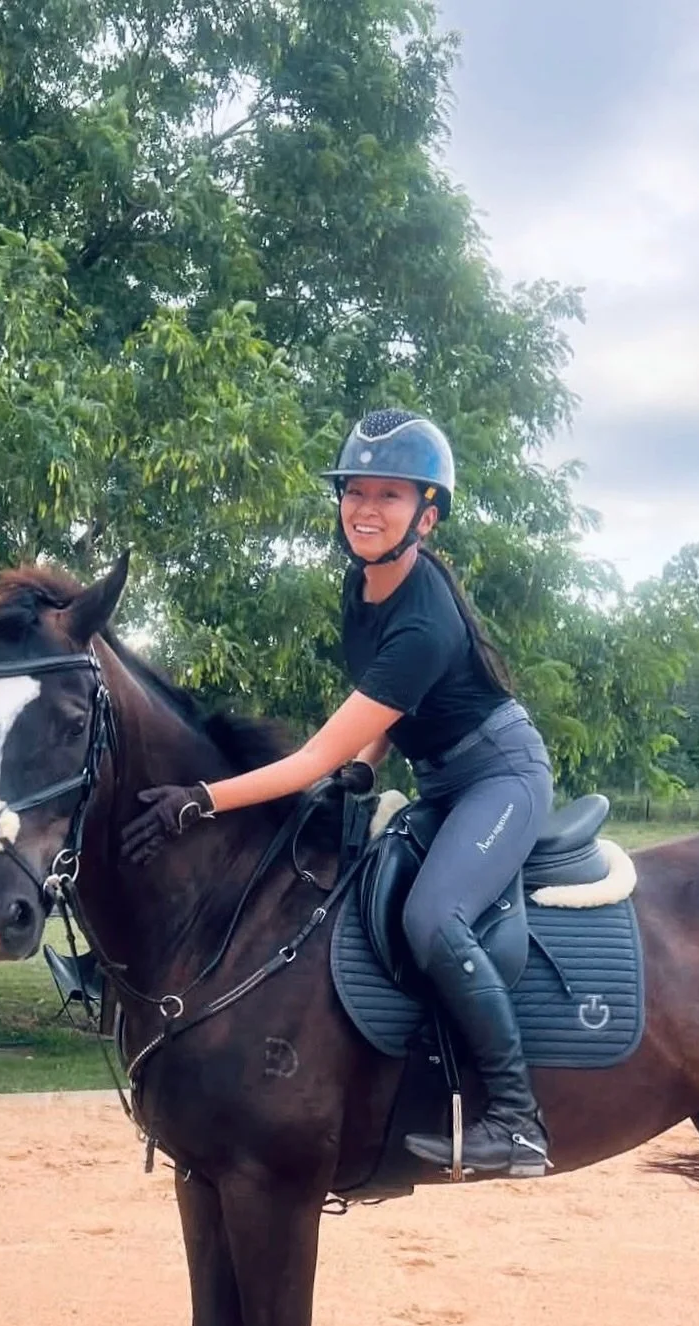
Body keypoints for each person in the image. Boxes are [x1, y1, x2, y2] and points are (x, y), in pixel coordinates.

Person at [122, 409, 555, 1177]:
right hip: (442, 781)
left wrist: (202, 798)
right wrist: (367, 765)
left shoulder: (424, 623)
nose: (365, 508)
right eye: (355, 490)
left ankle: (517, 1121)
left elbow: (316, 753)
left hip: (500, 779)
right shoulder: (365, 586)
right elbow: (382, 713)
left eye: (389, 495)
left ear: (427, 515)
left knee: (433, 918)